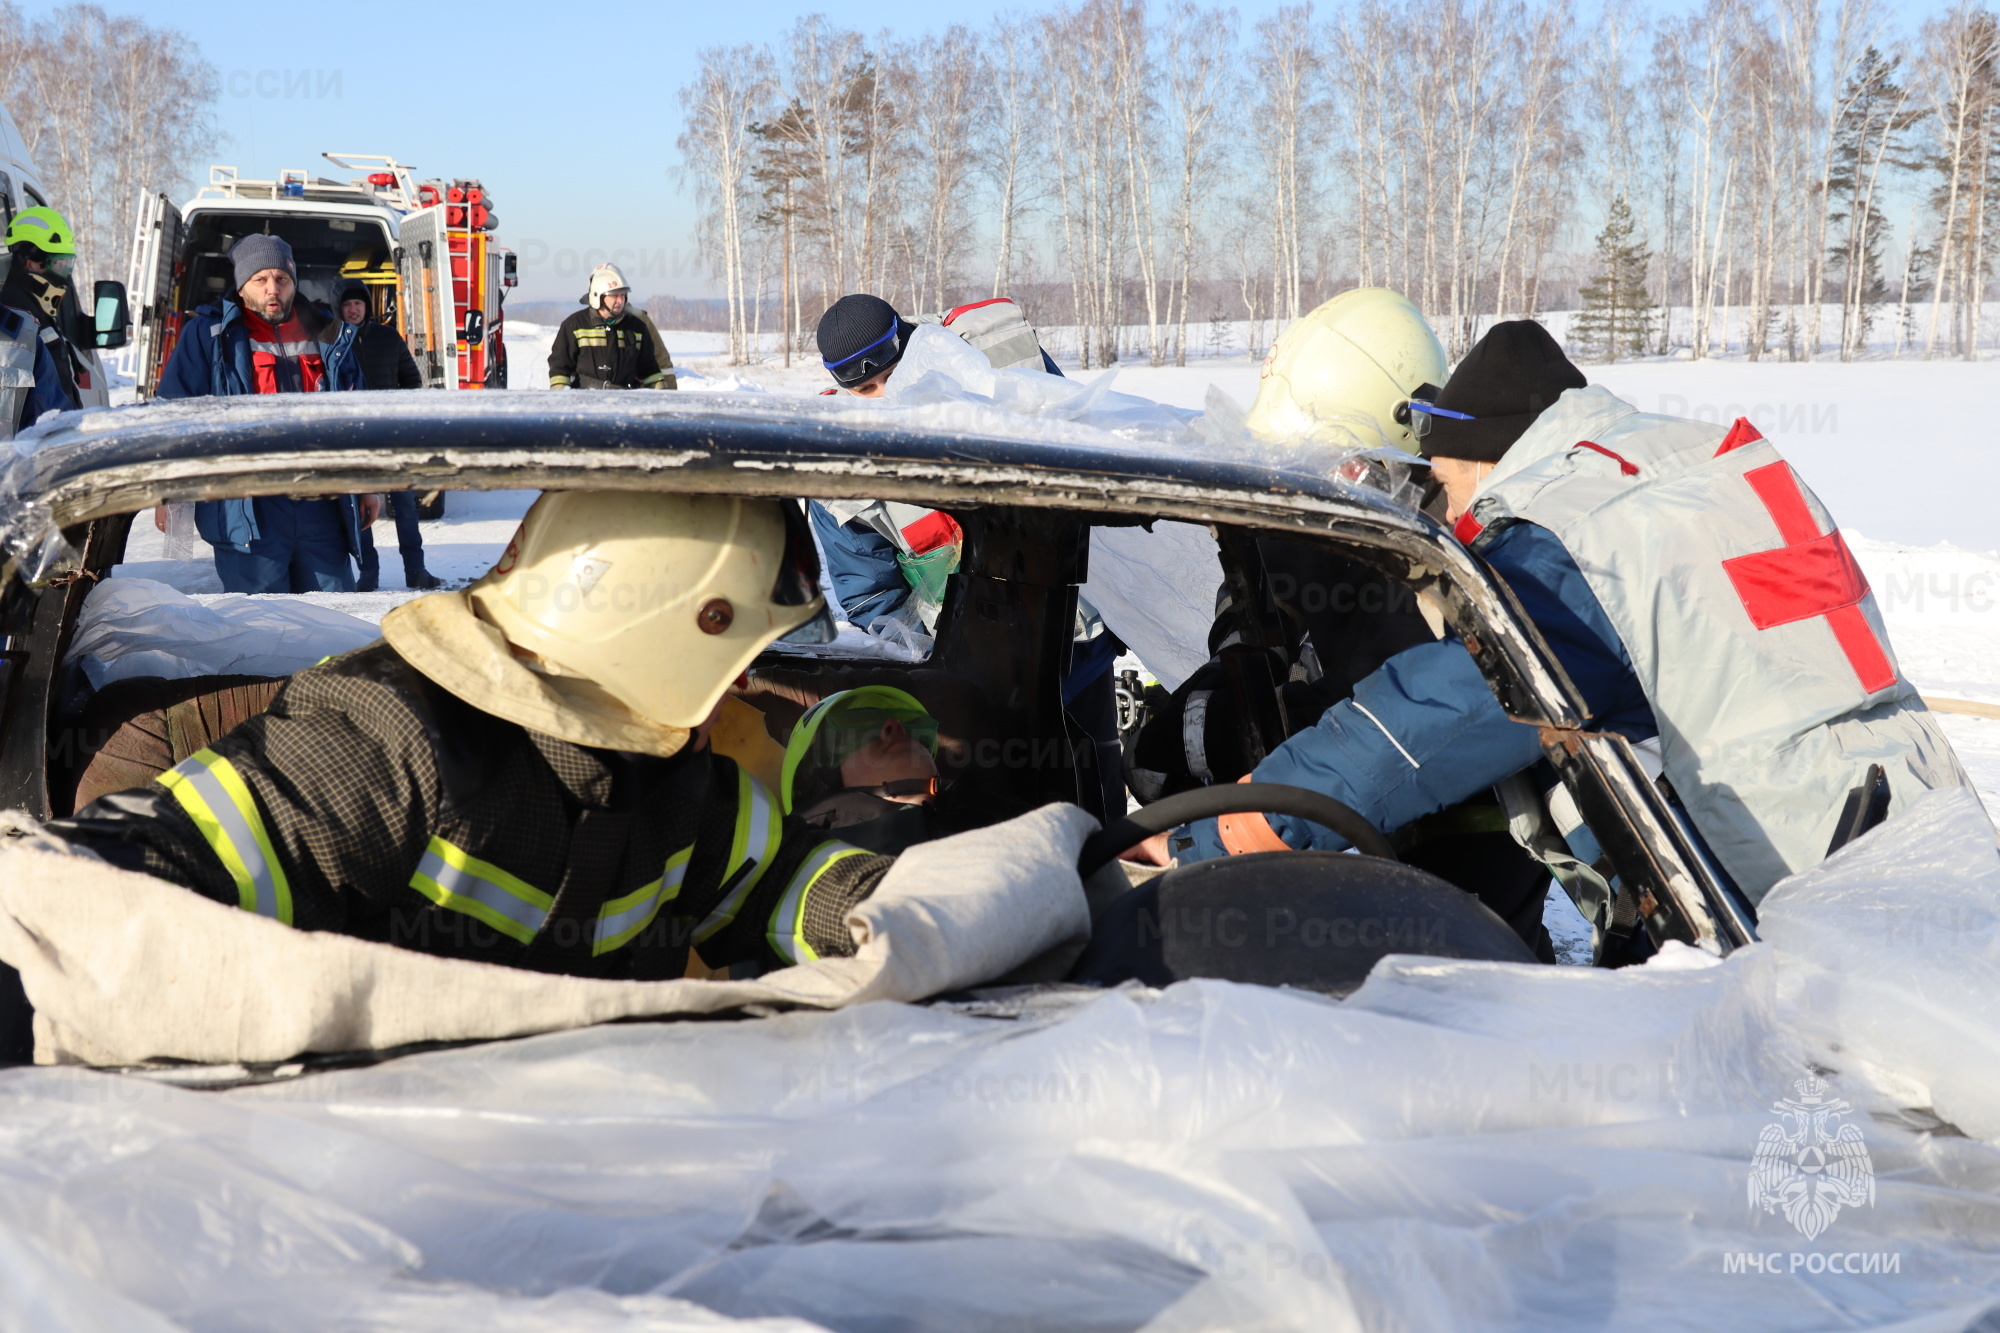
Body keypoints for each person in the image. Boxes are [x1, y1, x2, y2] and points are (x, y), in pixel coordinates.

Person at [1163, 319, 1972, 950]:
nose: (1444, 504)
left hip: (1799, 886)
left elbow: (1428, 721)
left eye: (1442, 478)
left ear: (1484, 457)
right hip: (1922, 820)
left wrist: (1221, 833)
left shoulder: (1574, 535)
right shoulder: (1683, 464)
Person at [45, 492, 895, 979]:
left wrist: (908, 908)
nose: (742, 690)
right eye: (737, 657)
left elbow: (776, 884)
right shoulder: (387, 734)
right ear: (666, 641)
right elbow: (130, 883)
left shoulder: (679, 781)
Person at [154, 235, 375, 594]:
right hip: (247, 508)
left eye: (282, 279)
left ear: (293, 282)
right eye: (260, 280)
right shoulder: (209, 336)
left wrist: (367, 486)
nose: (273, 289)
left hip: (321, 506)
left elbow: (357, 416)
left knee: (334, 616)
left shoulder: (329, 334)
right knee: (261, 624)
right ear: (242, 287)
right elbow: (175, 418)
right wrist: (171, 495)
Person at [334, 282, 442, 592]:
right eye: (347, 304)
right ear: (338, 308)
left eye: (358, 303)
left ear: (367, 307)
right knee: (361, 508)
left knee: (406, 507)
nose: (353, 309)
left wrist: (400, 413)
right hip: (353, 440)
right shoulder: (331, 341)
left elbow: (412, 380)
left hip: (392, 436)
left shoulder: (388, 337)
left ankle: (416, 570)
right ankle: (368, 572)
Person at [0, 205, 93, 409]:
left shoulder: (34, 309)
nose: (66, 275)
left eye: (69, 264)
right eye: (59, 263)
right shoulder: (15, 315)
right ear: (31, 263)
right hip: (36, 439)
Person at [546, 263, 673, 390]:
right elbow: (559, 367)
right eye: (614, 295)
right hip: (585, 402)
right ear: (598, 296)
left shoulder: (637, 328)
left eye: (622, 295)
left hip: (628, 402)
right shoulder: (574, 325)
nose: (620, 301)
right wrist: (561, 397)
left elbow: (649, 370)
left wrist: (662, 393)